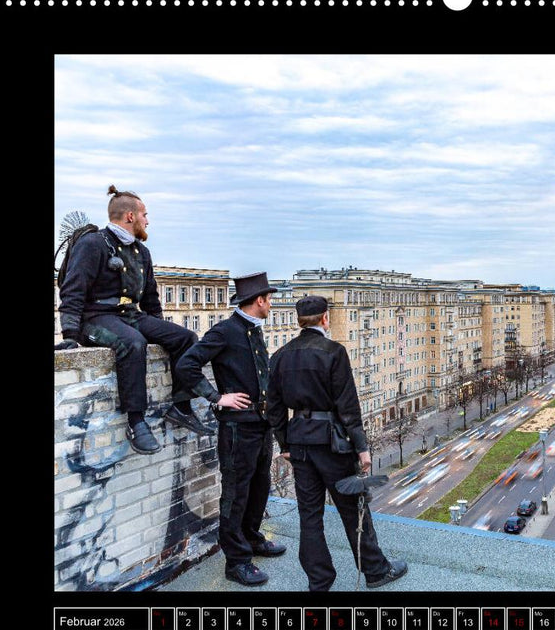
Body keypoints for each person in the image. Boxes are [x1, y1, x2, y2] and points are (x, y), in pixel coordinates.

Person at [57, 186, 214, 454]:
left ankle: (181, 407)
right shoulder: (93, 243)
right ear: (130, 216)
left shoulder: (142, 252)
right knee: (133, 343)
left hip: (130, 315)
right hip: (95, 317)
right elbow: (73, 290)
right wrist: (70, 335)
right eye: (145, 215)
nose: (147, 221)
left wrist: (161, 329)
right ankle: (136, 421)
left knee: (185, 337)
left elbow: (151, 298)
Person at [267, 295, 407, 592]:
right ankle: (375, 571)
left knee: (309, 515)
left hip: (299, 443)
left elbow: (275, 408)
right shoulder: (333, 352)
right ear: (325, 319)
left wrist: (285, 444)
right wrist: (362, 447)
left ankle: (319, 580)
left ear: (299, 321)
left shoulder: (280, 355)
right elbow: (348, 405)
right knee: (353, 509)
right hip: (333, 444)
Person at [176, 272, 286, 587]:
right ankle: (236, 561)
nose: (271, 305)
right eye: (269, 299)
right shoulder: (225, 331)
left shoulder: (254, 329)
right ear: (260, 300)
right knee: (236, 494)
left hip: (260, 425)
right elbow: (186, 365)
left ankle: (251, 537)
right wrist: (216, 397)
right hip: (238, 429)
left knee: (259, 486)